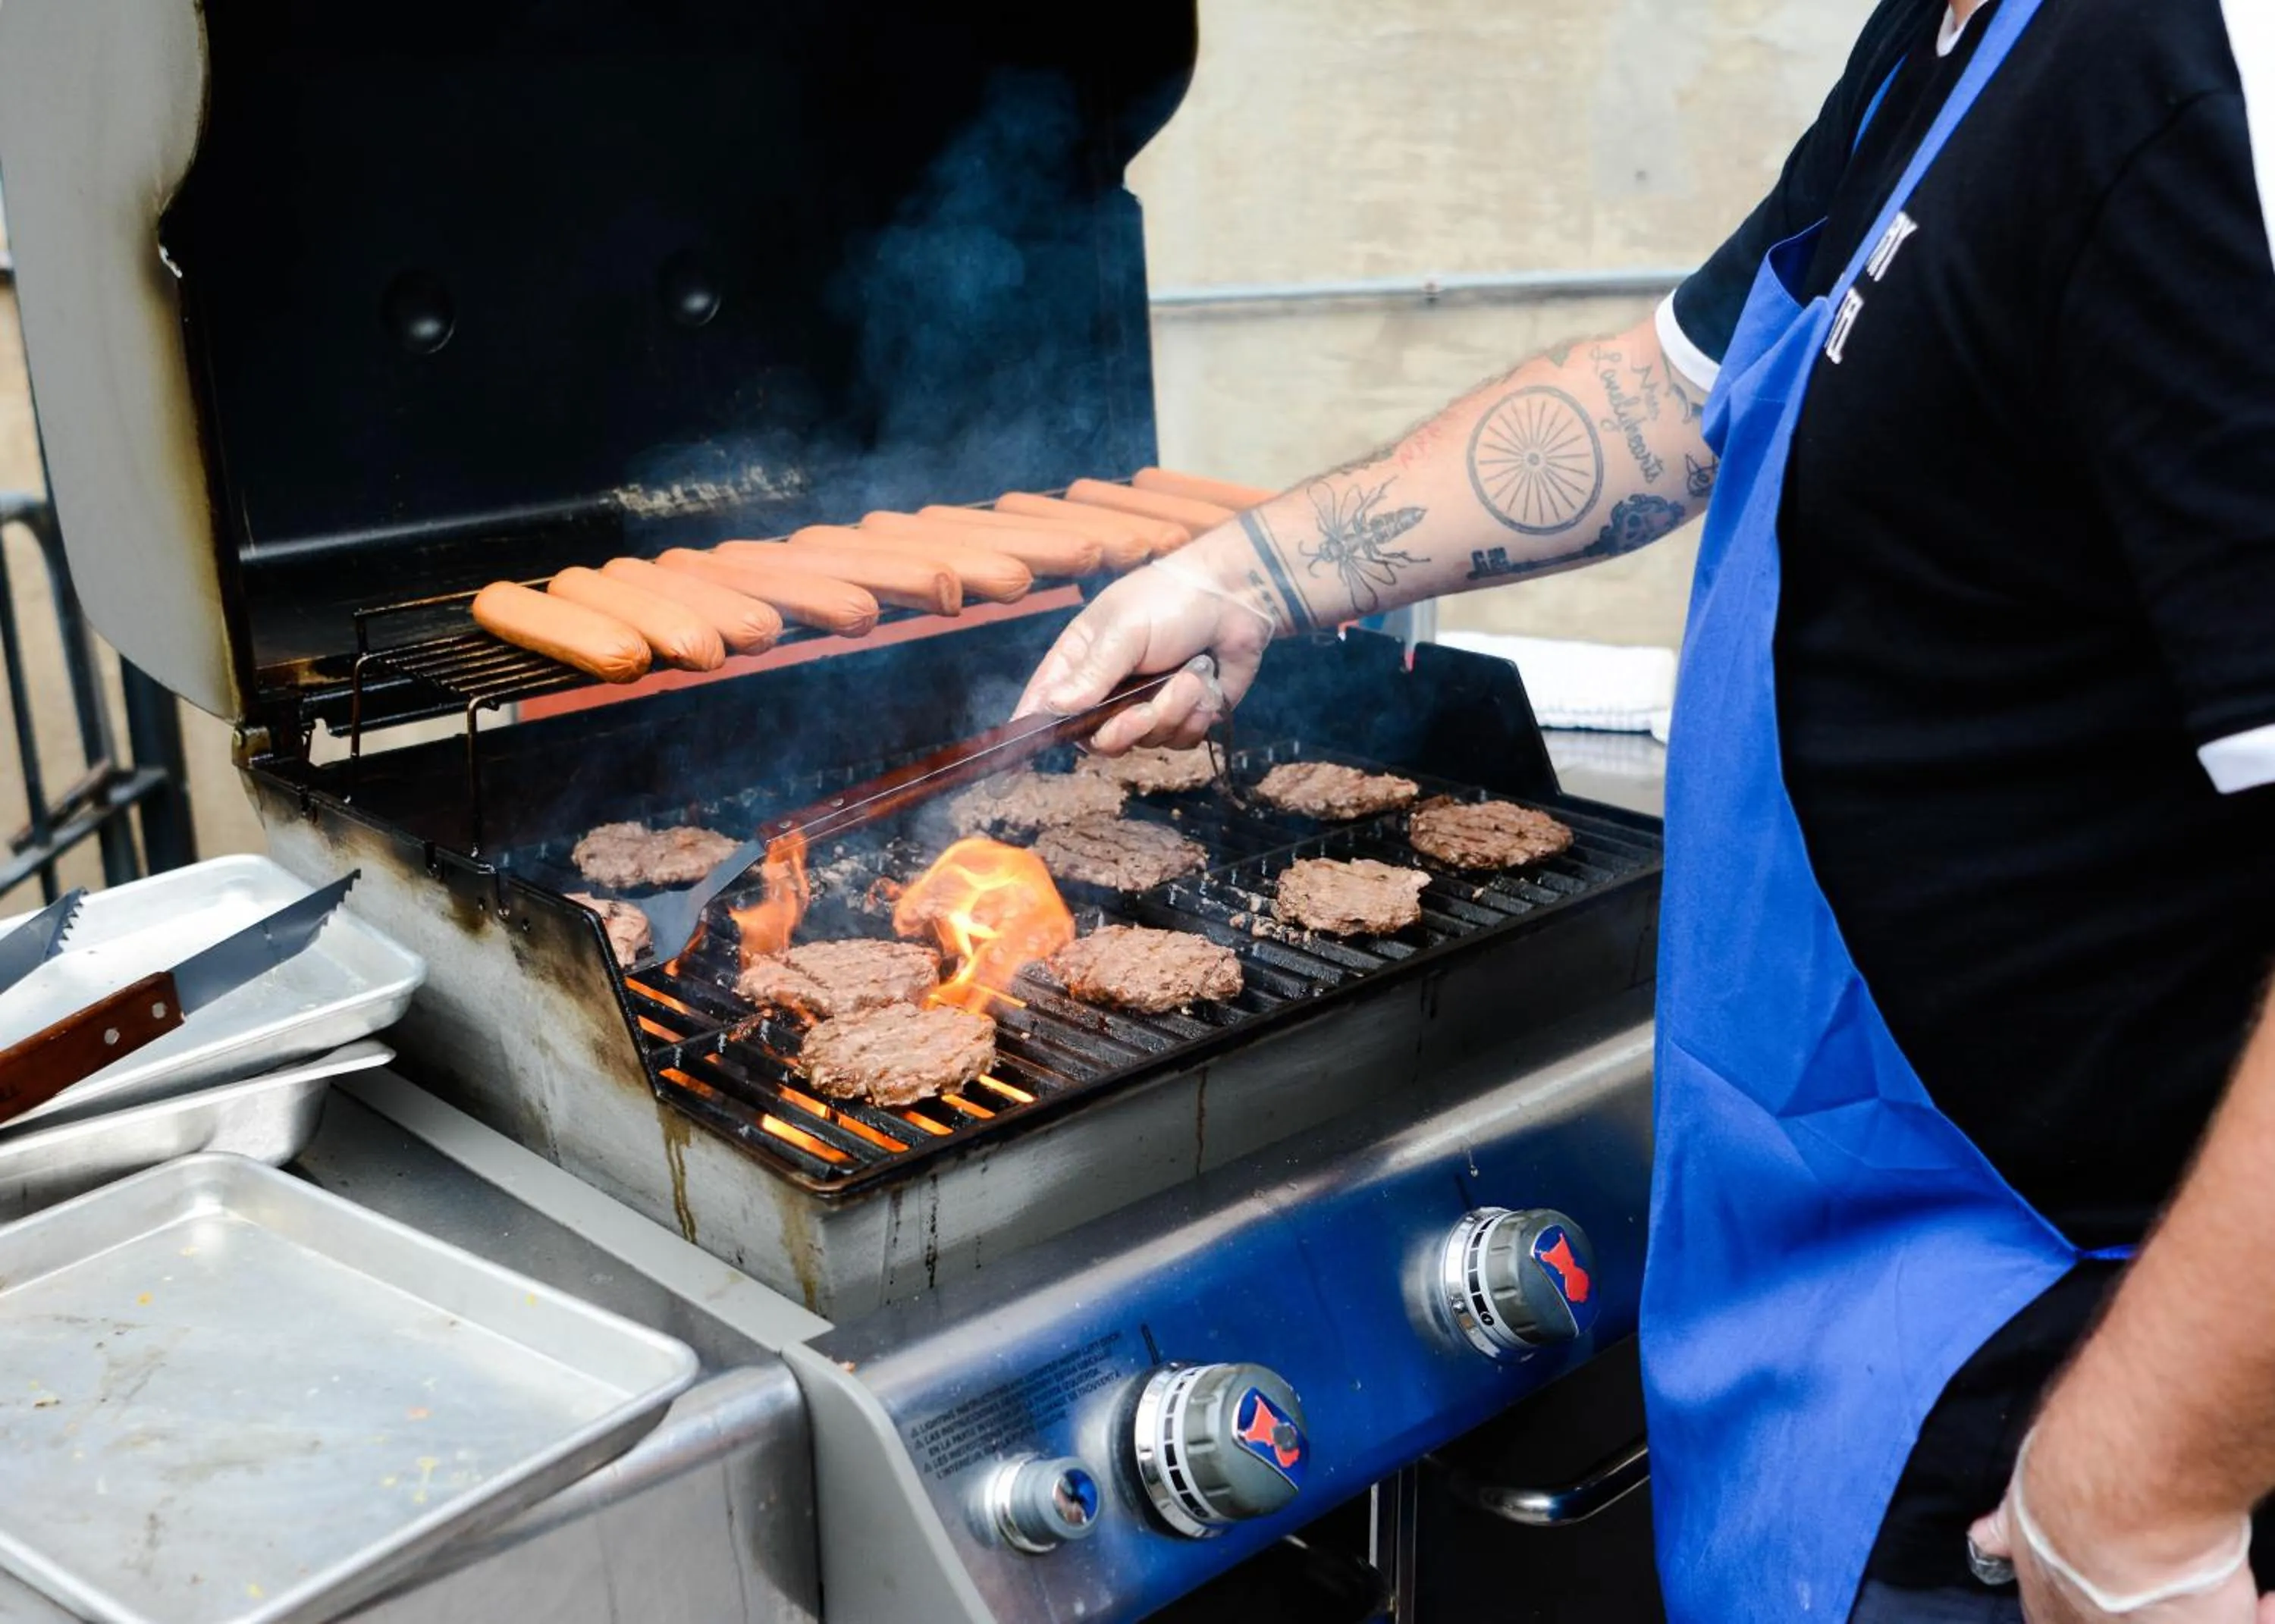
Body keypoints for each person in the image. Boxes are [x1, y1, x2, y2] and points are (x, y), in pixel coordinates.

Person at [1015, 0, 2275, 1618]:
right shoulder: (1953, 40)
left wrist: (2140, 1495)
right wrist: (1250, 573)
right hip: (1844, 1309)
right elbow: (1669, 400)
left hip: (2067, 1382)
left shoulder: (2193, 69)